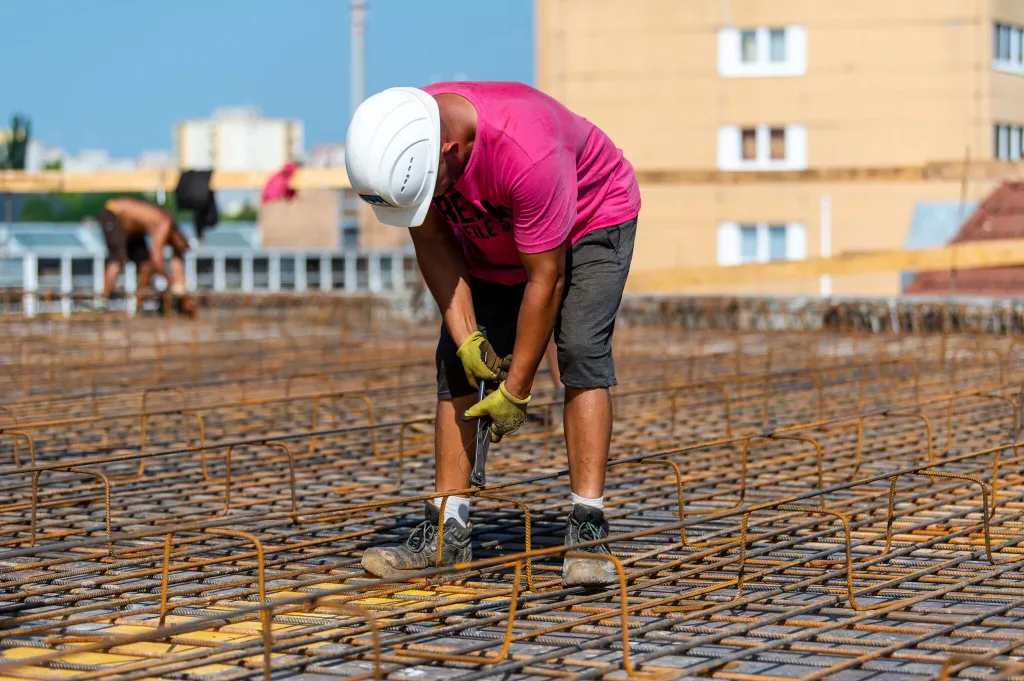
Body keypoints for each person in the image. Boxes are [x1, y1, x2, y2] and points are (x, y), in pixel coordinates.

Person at [346, 81, 640, 587]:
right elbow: (434, 242)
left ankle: (588, 527)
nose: (431, 200)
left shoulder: (526, 151)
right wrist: (466, 339)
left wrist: (516, 388)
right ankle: (447, 530)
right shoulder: (409, 137)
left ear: (451, 151)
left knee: (581, 351)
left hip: (591, 219)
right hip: (503, 233)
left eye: (432, 190)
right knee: (452, 363)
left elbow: (546, 279)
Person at [97, 197, 193, 316]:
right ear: (178, 236)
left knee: (146, 265)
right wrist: (171, 283)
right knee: (117, 258)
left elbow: (157, 262)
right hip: (114, 214)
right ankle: (102, 302)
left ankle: (139, 305)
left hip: (133, 229)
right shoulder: (165, 222)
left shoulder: (165, 224)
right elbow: (156, 258)